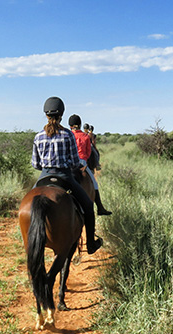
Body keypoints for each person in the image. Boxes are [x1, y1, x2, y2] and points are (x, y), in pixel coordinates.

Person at [32, 97, 102, 254]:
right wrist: (78, 165)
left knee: (28, 204)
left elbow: (35, 164)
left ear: (46, 115)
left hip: (44, 176)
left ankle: (28, 240)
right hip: (65, 177)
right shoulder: (67, 135)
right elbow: (74, 161)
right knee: (88, 206)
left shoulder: (38, 137)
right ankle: (90, 244)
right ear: (61, 114)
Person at [69, 115, 111, 216]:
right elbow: (88, 152)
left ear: (70, 126)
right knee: (94, 184)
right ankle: (100, 208)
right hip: (82, 163)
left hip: (70, 164)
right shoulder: (86, 136)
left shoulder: (68, 135)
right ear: (80, 125)